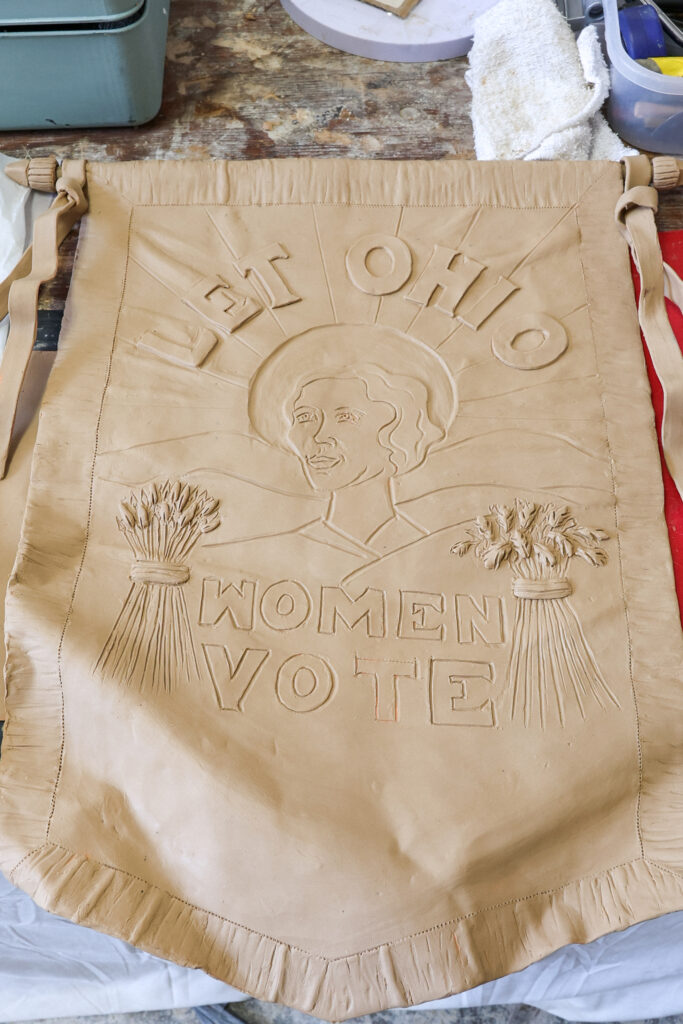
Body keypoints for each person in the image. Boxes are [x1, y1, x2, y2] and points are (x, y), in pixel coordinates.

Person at [205, 323, 458, 580]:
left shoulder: (440, 555)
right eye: (305, 417)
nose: (318, 436)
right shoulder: (265, 557)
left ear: (397, 431)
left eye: (345, 417)